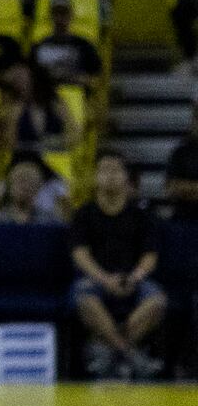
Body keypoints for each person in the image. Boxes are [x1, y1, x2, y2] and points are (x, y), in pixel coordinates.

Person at [70, 150, 166, 378]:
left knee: (157, 301)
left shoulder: (141, 215)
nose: (109, 175)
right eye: (104, 170)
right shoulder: (84, 214)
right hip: (95, 280)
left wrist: (134, 277)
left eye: (115, 170)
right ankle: (129, 354)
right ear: (95, 177)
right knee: (84, 299)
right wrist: (104, 279)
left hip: (133, 279)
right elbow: (80, 254)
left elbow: (150, 256)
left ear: (126, 177)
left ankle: (108, 354)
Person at [30, 0, 104, 88]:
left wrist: (74, 78)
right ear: (50, 16)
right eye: (56, 13)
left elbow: (95, 77)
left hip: (74, 93)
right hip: (44, 93)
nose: (59, 18)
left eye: (64, 13)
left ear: (71, 15)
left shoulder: (84, 46)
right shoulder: (39, 46)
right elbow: (30, 75)